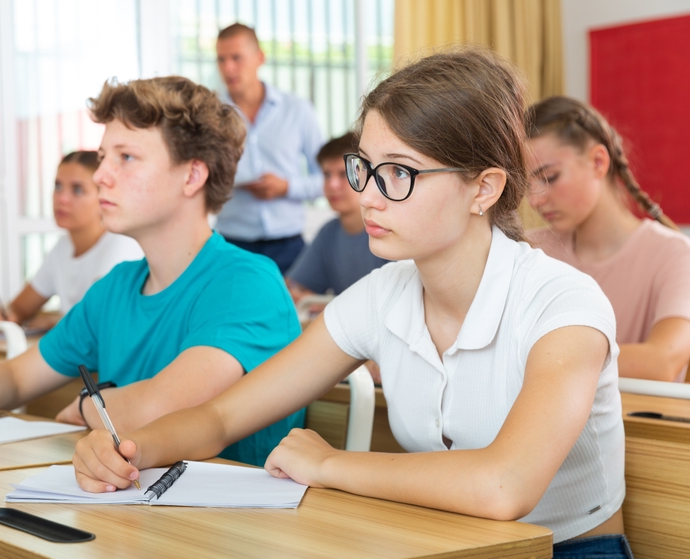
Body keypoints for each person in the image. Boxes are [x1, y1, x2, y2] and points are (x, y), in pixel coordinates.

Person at [73, 49, 631, 557]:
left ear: (483, 189)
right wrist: (128, 448)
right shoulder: (382, 295)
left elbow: (504, 485)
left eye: (398, 173)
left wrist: (330, 463)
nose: (365, 194)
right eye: (365, 167)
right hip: (445, 542)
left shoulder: (562, 303)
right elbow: (222, 416)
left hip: (571, 551)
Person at [0, 76, 304, 467]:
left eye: (127, 157)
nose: (101, 176)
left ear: (192, 175)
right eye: (102, 157)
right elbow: (15, 377)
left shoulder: (245, 283)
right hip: (132, 508)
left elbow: (159, 407)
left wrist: (82, 407)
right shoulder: (116, 288)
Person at [526, 96, 690, 382]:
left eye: (549, 178)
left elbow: (663, 362)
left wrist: (545, 358)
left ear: (598, 161)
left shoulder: (674, 254)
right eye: (526, 185)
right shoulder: (530, 250)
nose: (534, 200)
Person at [0, 151, 142, 330]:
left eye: (77, 190)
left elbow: (99, 318)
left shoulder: (122, 245)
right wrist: (6, 315)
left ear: (103, 197)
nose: (62, 199)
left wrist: (56, 322)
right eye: (58, 187)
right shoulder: (63, 248)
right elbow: (20, 307)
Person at [214, 23, 324, 273]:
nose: (228, 68)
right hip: (232, 244)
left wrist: (286, 187)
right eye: (221, 60)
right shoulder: (210, 115)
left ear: (259, 58)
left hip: (290, 248)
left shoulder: (297, 110)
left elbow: (327, 179)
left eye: (236, 58)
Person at [286, 134, 389, 302]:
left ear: (368, 175)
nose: (333, 185)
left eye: (343, 174)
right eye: (327, 175)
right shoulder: (329, 232)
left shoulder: (388, 229)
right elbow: (294, 286)